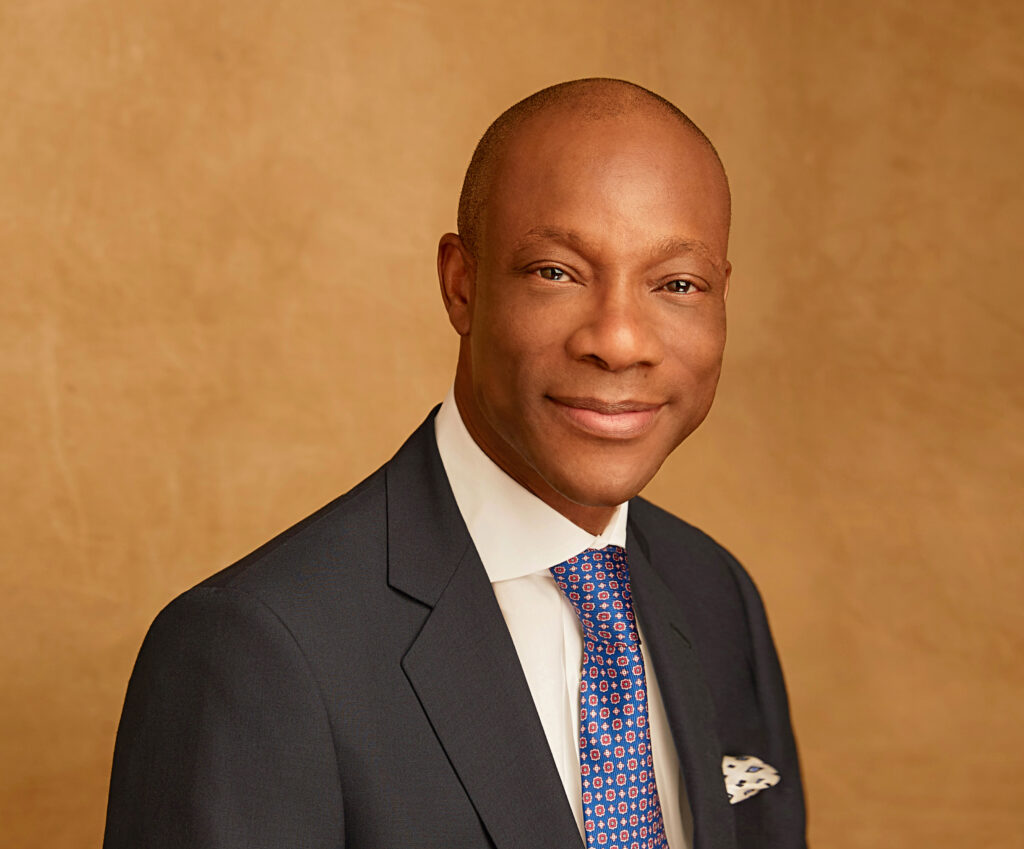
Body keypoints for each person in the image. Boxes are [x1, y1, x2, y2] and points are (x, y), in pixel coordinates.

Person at [103, 78, 806, 849]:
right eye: (557, 272)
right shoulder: (254, 649)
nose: (619, 340)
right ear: (461, 284)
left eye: (677, 284)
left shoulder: (716, 593)